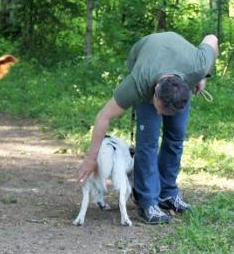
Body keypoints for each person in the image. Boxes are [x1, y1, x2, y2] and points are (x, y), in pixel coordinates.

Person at [76, 32, 219, 224]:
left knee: (176, 136)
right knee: (148, 142)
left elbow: (212, 38)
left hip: (182, 67)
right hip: (144, 59)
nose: (160, 115)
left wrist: (204, 75)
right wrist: (91, 158)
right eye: (159, 109)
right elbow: (103, 116)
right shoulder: (138, 83)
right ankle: (148, 201)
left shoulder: (197, 65)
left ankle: (167, 194)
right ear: (155, 95)